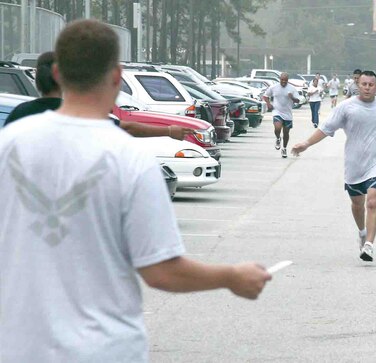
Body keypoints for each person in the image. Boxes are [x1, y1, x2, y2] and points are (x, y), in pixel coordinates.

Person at [0, 19, 271, 362]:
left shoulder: (9, 143)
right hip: (105, 350)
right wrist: (231, 276)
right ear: (117, 75)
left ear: (56, 73)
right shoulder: (129, 158)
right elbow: (162, 272)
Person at [291, 70, 376, 262]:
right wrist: (306, 144)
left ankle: (369, 245)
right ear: (357, 86)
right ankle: (362, 232)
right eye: (364, 84)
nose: (367, 87)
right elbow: (326, 128)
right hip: (354, 164)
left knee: (372, 201)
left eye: (371, 84)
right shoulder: (346, 107)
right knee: (357, 204)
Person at [4, 51, 195, 140]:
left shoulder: (19, 114)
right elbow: (128, 128)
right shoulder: (82, 116)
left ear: (37, 79)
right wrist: (169, 131)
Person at [263, 72, 300, 158]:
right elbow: (265, 96)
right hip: (277, 112)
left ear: (288, 80)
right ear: (279, 79)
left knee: (286, 133)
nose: (283, 81)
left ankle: (284, 148)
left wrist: (292, 98)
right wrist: (268, 104)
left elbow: (298, 100)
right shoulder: (274, 87)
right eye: (282, 80)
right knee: (277, 128)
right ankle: (278, 138)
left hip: (288, 114)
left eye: (285, 80)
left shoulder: (292, 89)